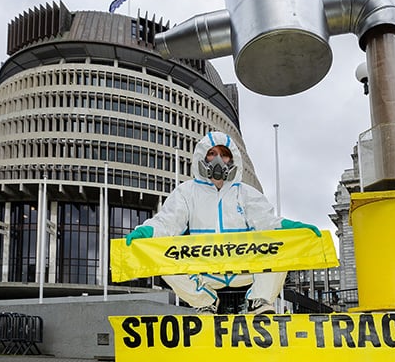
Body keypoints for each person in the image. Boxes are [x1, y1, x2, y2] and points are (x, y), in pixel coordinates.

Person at [125, 131, 321, 315]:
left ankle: (259, 300)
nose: (218, 159)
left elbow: (267, 222)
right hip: (203, 272)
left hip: (244, 269)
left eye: (224, 154)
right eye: (212, 153)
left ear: (232, 159)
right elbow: (168, 221)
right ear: (203, 156)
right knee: (163, 256)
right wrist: (147, 231)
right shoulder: (187, 193)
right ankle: (204, 302)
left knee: (279, 246)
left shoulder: (244, 192)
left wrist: (292, 229)